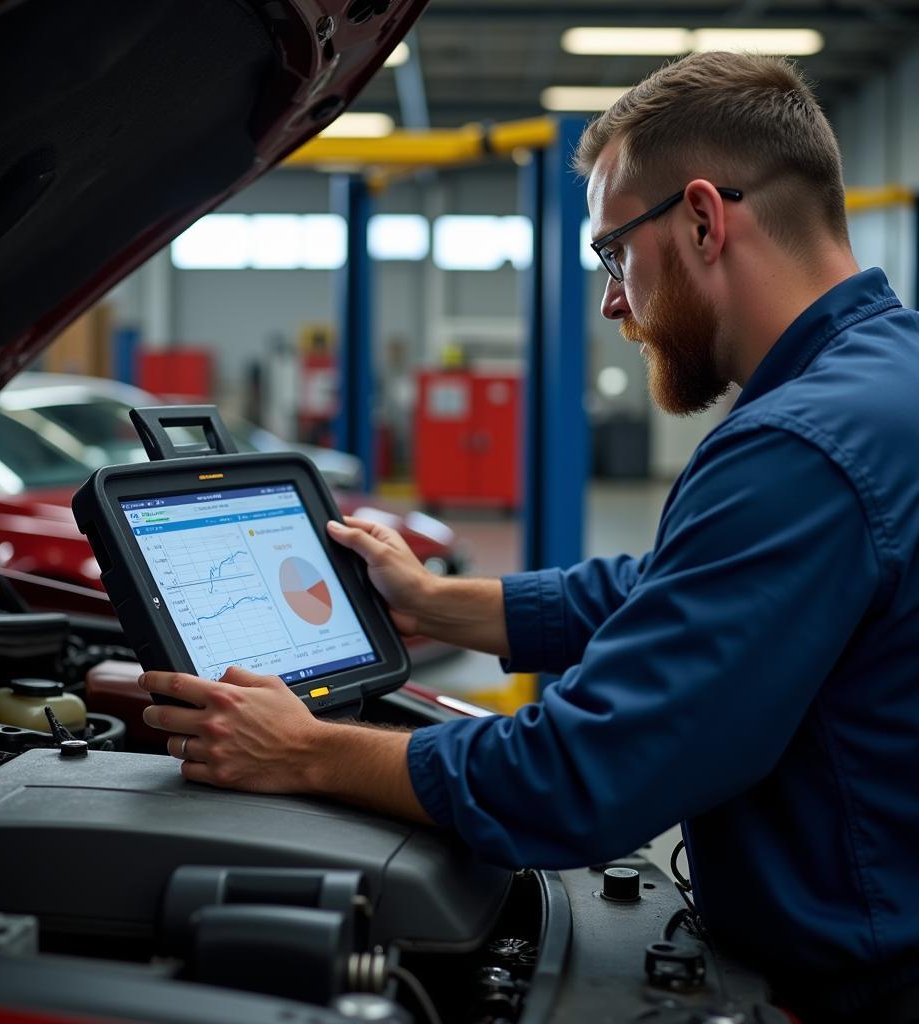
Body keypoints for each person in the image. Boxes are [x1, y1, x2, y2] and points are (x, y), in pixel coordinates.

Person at [138, 51, 919, 1023]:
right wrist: (434, 604)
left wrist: (306, 751)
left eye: (612, 253)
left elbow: (583, 777)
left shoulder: (800, 450)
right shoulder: (885, 379)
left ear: (704, 219)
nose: (612, 301)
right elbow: (684, 588)